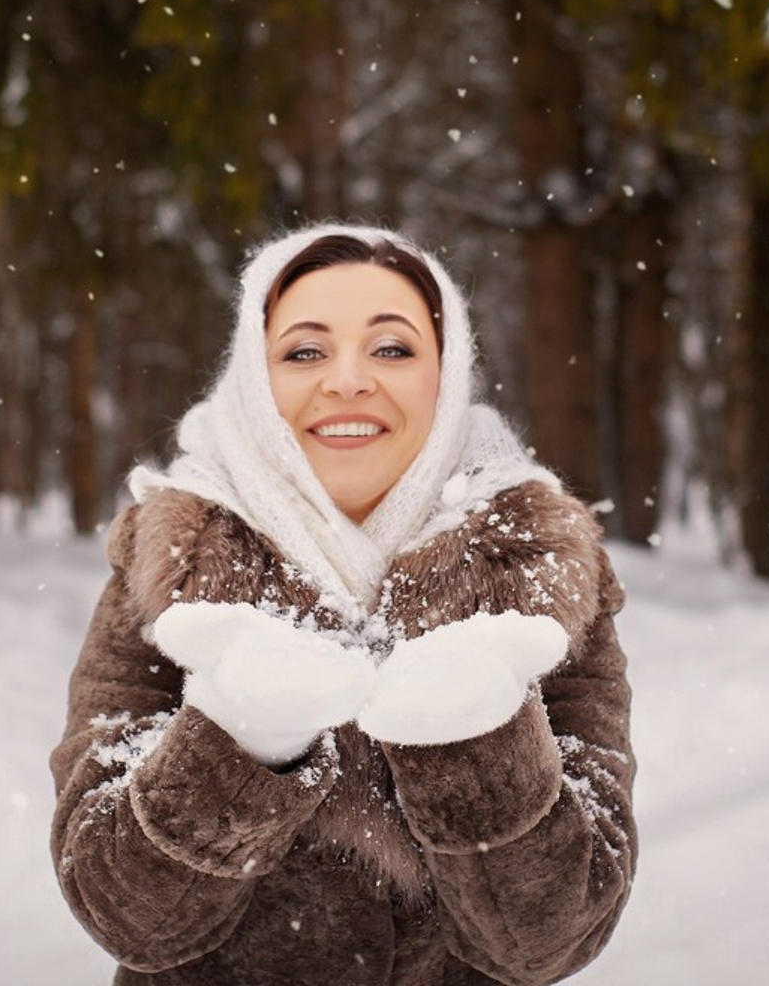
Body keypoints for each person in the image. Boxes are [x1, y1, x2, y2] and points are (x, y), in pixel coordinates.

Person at [50, 223, 636, 985]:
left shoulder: (538, 572)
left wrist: (478, 741)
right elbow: (123, 916)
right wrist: (238, 740)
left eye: (392, 349)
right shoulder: (172, 561)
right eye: (304, 352)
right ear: (257, 381)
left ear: (446, 372)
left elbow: (551, 942)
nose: (348, 380)